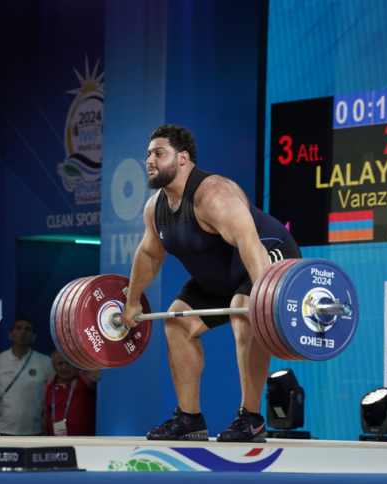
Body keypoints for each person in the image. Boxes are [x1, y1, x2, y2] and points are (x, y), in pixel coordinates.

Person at [122, 124, 301, 443]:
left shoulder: (214, 195)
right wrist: (132, 300)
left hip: (268, 255)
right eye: (148, 154)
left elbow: (250, 245)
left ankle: (252, 419)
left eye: (158, 153)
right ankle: (189, 419)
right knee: (176, 323)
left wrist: (264, 300)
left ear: (183, 159)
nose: (149, 160)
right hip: (221, 273)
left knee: (242, 309)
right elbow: (150, 254)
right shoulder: (155, 209)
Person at [0, 318, 55, 435]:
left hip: (33, 431)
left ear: (33, 337)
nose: (23, 332)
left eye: (27, 329)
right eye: (18, 328)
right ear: (10, 335)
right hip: (1, 430)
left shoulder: (44, 361)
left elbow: (55, 392)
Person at [41, 350, 100, 436]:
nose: (65, 367)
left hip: (84, 444)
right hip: (56, 444)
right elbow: (46, 416)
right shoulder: (49, 385)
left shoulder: (84, 377)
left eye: (68, 363)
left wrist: (96, 373)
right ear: (54, 366)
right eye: (60, 364)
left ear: (76, 363)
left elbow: (94, 374)